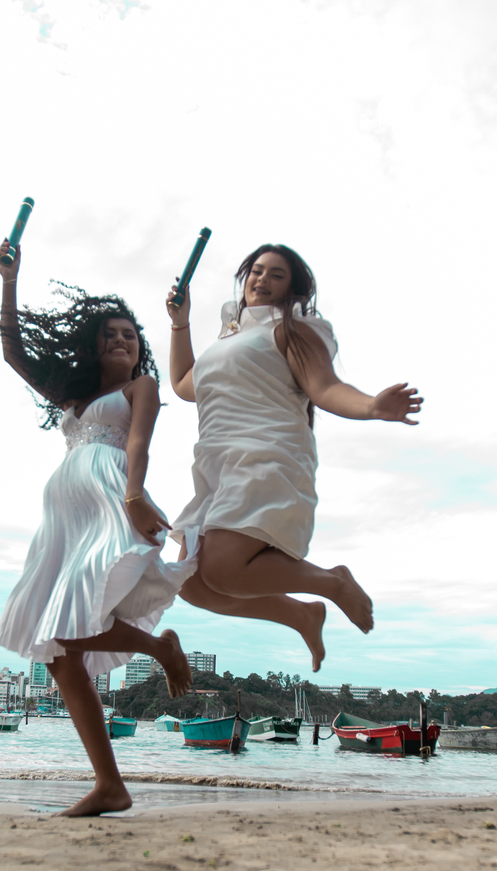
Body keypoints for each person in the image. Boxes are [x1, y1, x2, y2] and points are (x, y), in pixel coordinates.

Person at [0, 238, 194, 817]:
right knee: (59, 656)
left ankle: (159, 647)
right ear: (92, 346)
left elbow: (138, 445)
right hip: (64, 518)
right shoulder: (76, 393)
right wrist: (9, 281)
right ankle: (111, 785)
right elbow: (13, 354)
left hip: (111, 501)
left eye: (131, 335)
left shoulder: (141, 387)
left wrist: (134, 496)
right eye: (110, 335)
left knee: (70, 633)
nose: (122, 341)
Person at [166, 243, 421, 672]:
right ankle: (301, 615)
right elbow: (182, 384)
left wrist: (373, 406)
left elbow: (324, 387)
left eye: (276, 274)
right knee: (192, 585)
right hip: (216, 465)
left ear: (293, 289)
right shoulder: (227, 340)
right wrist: (180, 324)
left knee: (225, 569)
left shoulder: (290, 329)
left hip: (267, 454)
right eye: (256, 271)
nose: (261, 279)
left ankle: (332, 582)